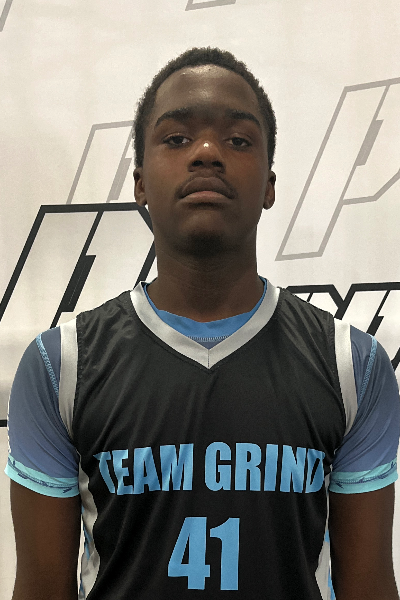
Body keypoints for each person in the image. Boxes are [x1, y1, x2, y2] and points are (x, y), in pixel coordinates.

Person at [5, 47, 400, 600]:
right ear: (140, 183)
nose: (207, 153)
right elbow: (41, 590)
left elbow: (369, 586)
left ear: (269, 185)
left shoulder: (352, 365)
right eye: (176, 138)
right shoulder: (60, 366)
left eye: (237, 140)